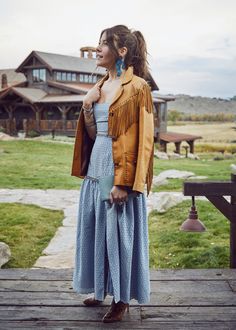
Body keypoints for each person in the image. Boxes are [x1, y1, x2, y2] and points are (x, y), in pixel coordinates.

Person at [71, 24, 154, 323]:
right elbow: (95, 135)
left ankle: (122, 298)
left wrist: (125, 183)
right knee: (96, 230)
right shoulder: (100, 85)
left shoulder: (138, 88)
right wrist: (87, 106)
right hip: (97, 168)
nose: (98, 48)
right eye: (98, 43)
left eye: (104, 43)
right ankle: (99, 288)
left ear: (121, 51)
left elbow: (142, 141)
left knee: (118, 233)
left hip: (119, 172)